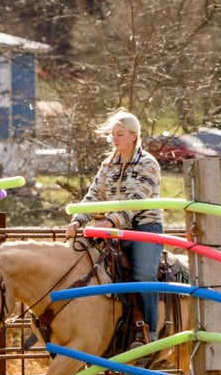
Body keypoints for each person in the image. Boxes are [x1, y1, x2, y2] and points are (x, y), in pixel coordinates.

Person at [66, 109, 163, 347]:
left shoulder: (148, 164)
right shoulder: (108, 165)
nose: (115, 139)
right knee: (81, 264)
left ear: (134, 135)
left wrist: (110, 222)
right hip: (110, 229)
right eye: (112, 135)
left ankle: (149, 332)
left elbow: (137, 200)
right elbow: (92, 196)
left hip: (143, 228)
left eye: (120, 134)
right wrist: (79, 220)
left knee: (143, 275)